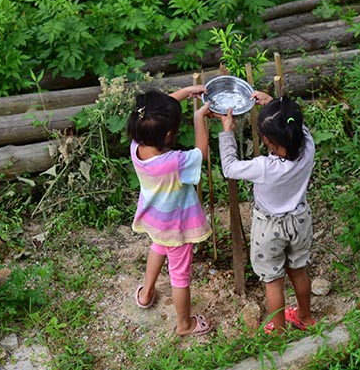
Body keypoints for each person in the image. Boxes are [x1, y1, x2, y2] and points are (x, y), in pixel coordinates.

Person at [216, 91, 317, 334]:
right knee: (299, 270)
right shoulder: (308, 146)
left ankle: (279, 330)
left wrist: (227, 131)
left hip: (269, 229)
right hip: (300, 221)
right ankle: (305, 316)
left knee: (273, 281)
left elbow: (229, 168)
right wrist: (273, 104)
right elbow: (296, 125)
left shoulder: (264, 167)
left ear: (269, 142)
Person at [127, 86, 213, 337]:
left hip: (155, 219)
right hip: (177, 226)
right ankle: (185, 324)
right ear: (168, 134)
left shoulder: (137, 145)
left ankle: (145, 294)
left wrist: (185, 92)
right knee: (179, 276)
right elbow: (202, 153)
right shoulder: (175, 162)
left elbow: (156, 113)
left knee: (157, 246)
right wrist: (198, 118)